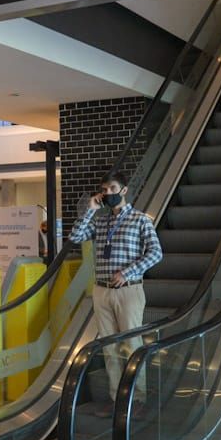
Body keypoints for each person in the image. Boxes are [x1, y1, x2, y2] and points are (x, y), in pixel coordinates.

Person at [68, 171, 162, 402]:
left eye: (111, 188)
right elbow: (75, 237)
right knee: (109, 348)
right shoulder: (100, 221)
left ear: (124, 190)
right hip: (101, 291)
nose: (107, 193)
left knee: (131, 344)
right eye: (103, 189)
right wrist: (90, 209)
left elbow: (156, 253)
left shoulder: (140, 220)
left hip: (129, 289)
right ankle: (116, 398)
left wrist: (127, 272)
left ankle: (137, 398)